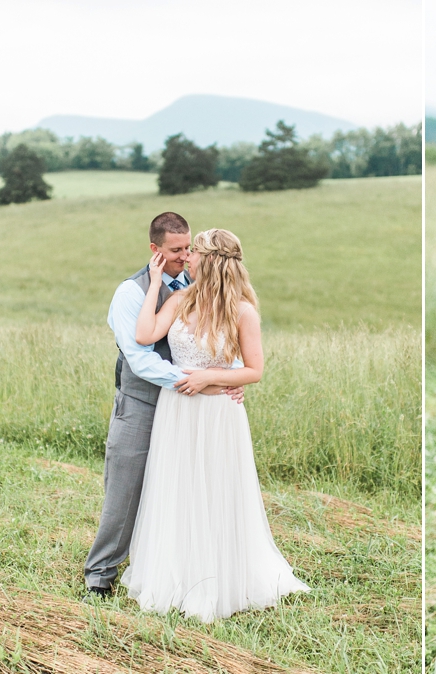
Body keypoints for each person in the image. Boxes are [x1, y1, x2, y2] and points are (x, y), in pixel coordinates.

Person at [120, 228, 308, 622]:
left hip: (219, 415)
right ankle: (178, 574)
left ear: (210, 261)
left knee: (217, 489)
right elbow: (144, 334)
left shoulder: (242, 310)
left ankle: (219, 578)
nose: (186, 257)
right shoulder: (179, 299)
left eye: (194, 253)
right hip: (178, 412)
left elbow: (255, 371)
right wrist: (154, 284)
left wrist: (211, 378)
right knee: (180, 487)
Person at [83, 212, 242, 598]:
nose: (185, 256)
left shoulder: (201, 285)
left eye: (189, 248)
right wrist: (195, 384)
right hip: (142, 403)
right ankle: (99, 575)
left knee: (182, 490)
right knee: (125, 490)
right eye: (176, 250)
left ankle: (179, 571)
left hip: (188, 411)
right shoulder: (131, 292)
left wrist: (227, 377)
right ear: (155, 250)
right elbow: (140, 357)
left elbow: (223, 336)